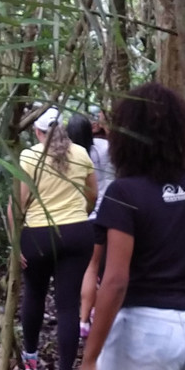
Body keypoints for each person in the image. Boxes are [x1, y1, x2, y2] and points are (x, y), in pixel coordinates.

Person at [72, 83, 185, 370]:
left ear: (127, 136)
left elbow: (115, 281)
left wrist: (89, 362)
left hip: (145, 330)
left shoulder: (124, 194)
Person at [9, 106, 97, 370]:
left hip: (38, 236)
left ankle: (31, 358)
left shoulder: (29, 156)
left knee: (34, 292)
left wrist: (15, 242)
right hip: (77, 233)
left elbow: (18, 205)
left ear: (37, 132)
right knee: (68, 304)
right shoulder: (82, 155)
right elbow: (92, 195)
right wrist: (78, 215)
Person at [79, 107, 115, 338]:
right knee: (110, 269)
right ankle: (104, 315)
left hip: (87, 217)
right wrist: (107, 125)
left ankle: (84, 319)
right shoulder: (107, 147)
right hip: (113, 215)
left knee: (91, 268)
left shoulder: (75, 154)